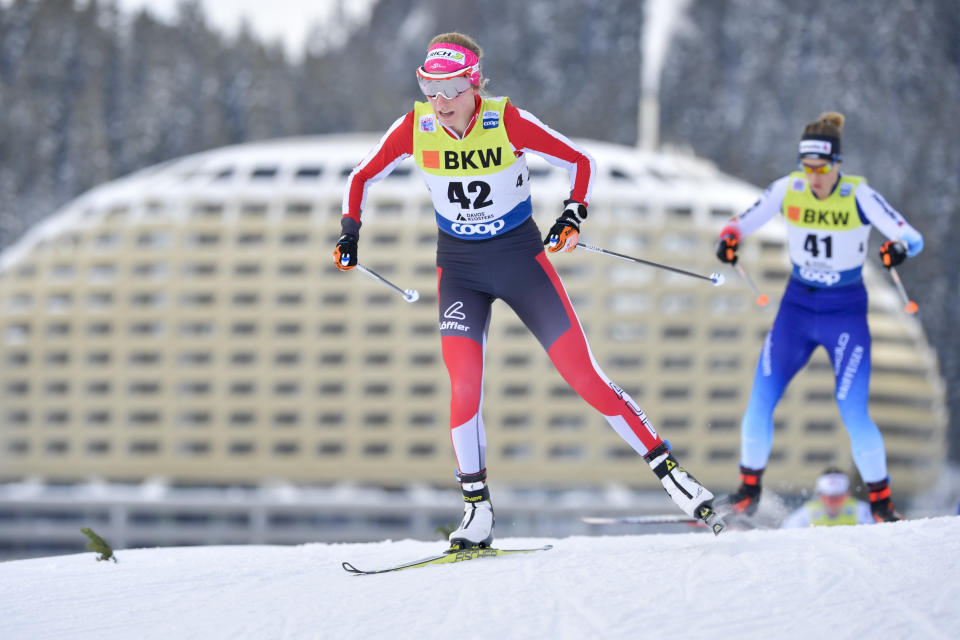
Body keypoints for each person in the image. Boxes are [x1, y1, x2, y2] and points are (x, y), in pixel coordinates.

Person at [333, 32, 724, 548]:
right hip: (460, 272)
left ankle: (672, 474)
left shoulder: (506, 120)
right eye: (431, 87)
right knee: (465, 386)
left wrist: (572, 214)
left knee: (583, 375)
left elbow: (580, 162)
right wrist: (349, 231)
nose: (441, 101)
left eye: (451, 87)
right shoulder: (415, 127)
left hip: (521, 262)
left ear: (474, 83)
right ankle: (477, 511)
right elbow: (360, 177)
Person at [716, 111, 924, 523]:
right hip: (797, 309)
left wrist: (898, 249)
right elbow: (741, 222)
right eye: (807, 168)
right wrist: (728, 239)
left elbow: (911, 237)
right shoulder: (789, 188)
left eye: (822, 169)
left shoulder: (857, 195)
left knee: (853, 410)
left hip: (843, 312)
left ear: (837, 165)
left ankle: (882, 505)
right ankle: (747, 492)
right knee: (759, 401)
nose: (814, 178)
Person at [781, 468, 874, 528]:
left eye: (838, 497)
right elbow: (787, 535)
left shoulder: (861, 511)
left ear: (847, 495)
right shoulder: (807, 513)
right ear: (820, 496)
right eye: (828, 498)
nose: (832, 502)